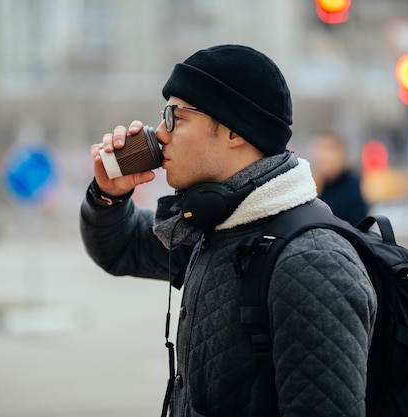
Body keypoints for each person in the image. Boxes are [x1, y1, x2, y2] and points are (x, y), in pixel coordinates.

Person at [80, 44, 377, 417]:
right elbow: (120, 248)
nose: (159, 133)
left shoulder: (313, 263)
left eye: (176, 117)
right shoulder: (218, 225)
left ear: (235, 132)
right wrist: (107, 196)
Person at [311, 130, 369, 226]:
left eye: (329, 149)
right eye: (319, 148)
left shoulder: (353, 191)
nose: (323, 155)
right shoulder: (317, 188)